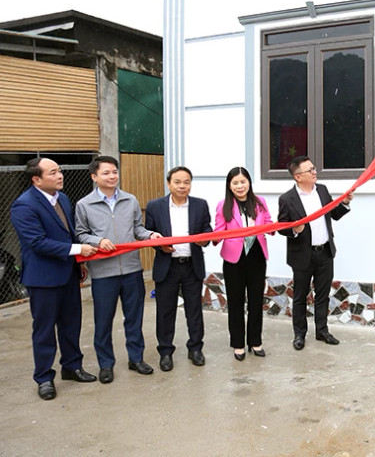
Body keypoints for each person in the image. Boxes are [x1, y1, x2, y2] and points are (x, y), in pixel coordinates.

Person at [10, 158, 99, 400]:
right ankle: (44, 378)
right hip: (43, 278)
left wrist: (77, 263)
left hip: (68, 273)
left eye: (59, 171)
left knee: (71, 324)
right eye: (53, 172)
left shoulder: (63, 199)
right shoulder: (24, 206)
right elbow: (37, 243)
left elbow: (67, 233)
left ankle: (71, 367)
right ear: (36, 179)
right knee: (45, 330)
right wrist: (78, 250)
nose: (60, 175)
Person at [75, 156, 162, 384]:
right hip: (104, 273)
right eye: (106, 173)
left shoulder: (130, 200)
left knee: (134, 318)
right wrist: (98, 240)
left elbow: (137, 229)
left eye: (114, 172)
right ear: (94, 177)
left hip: (132, 269)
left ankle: (136, 358)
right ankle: (106, 365)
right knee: (103, 321)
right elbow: (81, 234)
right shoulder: (84, 204)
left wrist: (151, 235)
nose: (112, 176)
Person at [278, 156, 353, 351]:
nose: (314, 172)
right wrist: (295, 230)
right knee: (300, 297)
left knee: (323, 295)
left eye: (314, 168)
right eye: (309, 170)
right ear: (297, 176)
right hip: (302, 255)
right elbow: (282, 227)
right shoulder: (287, 199)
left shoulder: (322, 190)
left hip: (325, 252)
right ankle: (299, 335)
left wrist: (344, 203)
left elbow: (333, 215)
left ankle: (322, 330)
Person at [145, 166, 212, 371]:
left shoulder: (200, 205)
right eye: (177, 182)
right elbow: (148, 233)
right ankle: (165, 352)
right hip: (167, 266)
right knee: (165, 312)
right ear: (169, 183)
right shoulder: (155, 206)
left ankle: (195, 349)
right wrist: (159, 244)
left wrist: (204, 240)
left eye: (186, 182)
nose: (182, 186)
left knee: (194, 310)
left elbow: (207, 229)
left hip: (192, 265)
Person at [213, 166, 273, 361]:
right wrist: (209, 238)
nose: (240, 186)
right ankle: (238, 344)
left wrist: (274, 227)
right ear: (229, 186)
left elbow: (270, 224)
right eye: (235, 183)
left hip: (256, 255)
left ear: (249, 182)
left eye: (243, 182)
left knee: (256, 301)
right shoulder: (223, 205)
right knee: (236, 302)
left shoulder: (260, 202)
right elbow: (219, 231)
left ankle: (255, 341)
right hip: (233, 260)